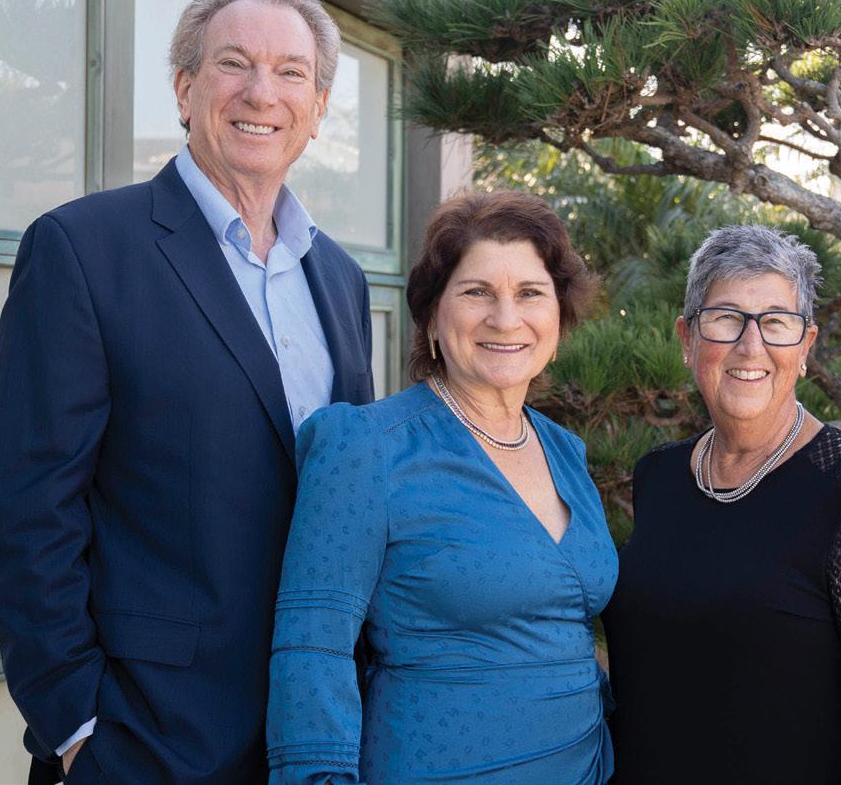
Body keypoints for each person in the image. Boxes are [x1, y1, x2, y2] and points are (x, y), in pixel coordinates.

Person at [0, 0, 374, 784]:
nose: (262, 92)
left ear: (318, 107)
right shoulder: (84, 249)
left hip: (311, 733)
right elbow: (28, 510)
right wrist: (77, 725)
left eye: (291, 72)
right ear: (185, 89)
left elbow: (349, 510)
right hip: (145, 739)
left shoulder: (340, 278)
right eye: (234, 63)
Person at [265, 191, 619, 784]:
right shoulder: (367, 447)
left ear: (558, 319)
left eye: (530, 293)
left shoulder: (566, 451)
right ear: (432, 317)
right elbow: (312, 650)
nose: (505, 318)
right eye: (476, 292)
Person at [601, 225, 841, 784]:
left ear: (805, 347)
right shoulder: (657, 476)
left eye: (776, 322)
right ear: (687, 338)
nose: (750, 345)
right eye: (726, 318)